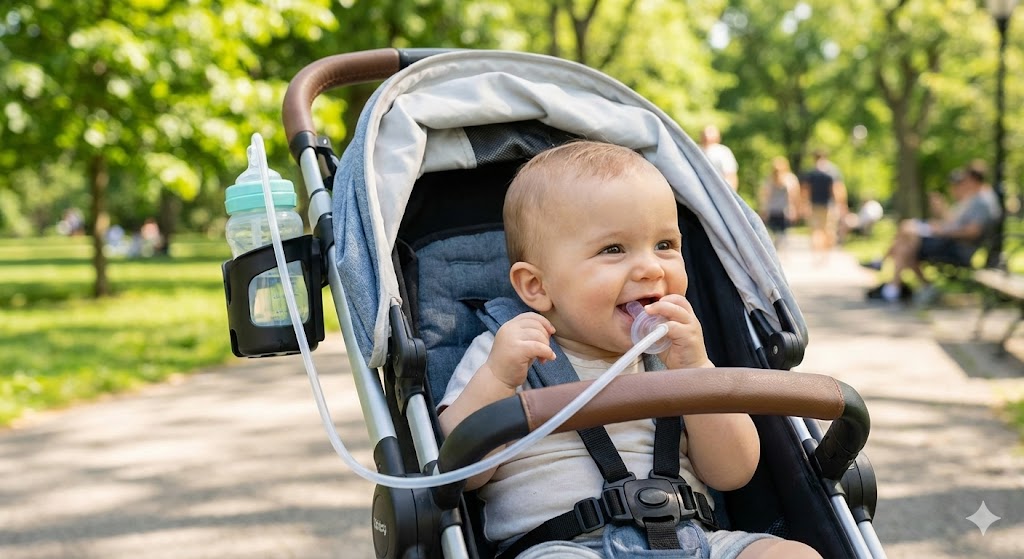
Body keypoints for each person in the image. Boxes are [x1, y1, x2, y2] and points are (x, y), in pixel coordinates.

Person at [438, 141, 820, 559]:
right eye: (613, 250)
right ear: (537, 286)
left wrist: (696, 370)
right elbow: (459, 472)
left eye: (665, 246)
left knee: (790, 554)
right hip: (565, 547)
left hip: (693, 542)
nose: (651, 268)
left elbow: (733, 473)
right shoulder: (506, 352)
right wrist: (497, 379)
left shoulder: (678, 355)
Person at [863, 163, 1000, 304]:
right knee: (906, 236)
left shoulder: (982, 201)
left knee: (907, 238)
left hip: (958, 248)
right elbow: (955, 222)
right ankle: (895, 287)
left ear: (972, 179)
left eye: (965, 179)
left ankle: (893, 280)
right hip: (950, 242)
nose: (963, 182)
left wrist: (942, 231)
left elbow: (972, 232)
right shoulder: (975, 198)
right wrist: (941, 217)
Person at [799, 150, 848, 257]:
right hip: (828, 205)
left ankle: (817, 252)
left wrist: (803, 205)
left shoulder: (811, 173)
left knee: (815, 230)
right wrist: (840, 205)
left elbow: (805, 190)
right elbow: (836, 190)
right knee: (828, 229)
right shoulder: (832, 172)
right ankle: (825, 253)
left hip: (814, 205)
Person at [758, 156, 800, 250]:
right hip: (784, 210)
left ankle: (776, 250)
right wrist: (794, 209)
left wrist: (763, 209)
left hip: (773, 209)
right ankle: (781, 250)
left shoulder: (769, 179)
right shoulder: (790, 179)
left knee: (773, 233)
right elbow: (794, 196)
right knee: (782, 233)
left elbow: (764, 196)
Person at [700, 125, 739, 191]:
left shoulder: (723, 152)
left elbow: (730, 175)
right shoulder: (698, 150)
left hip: (719, 190)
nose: (707, 136)